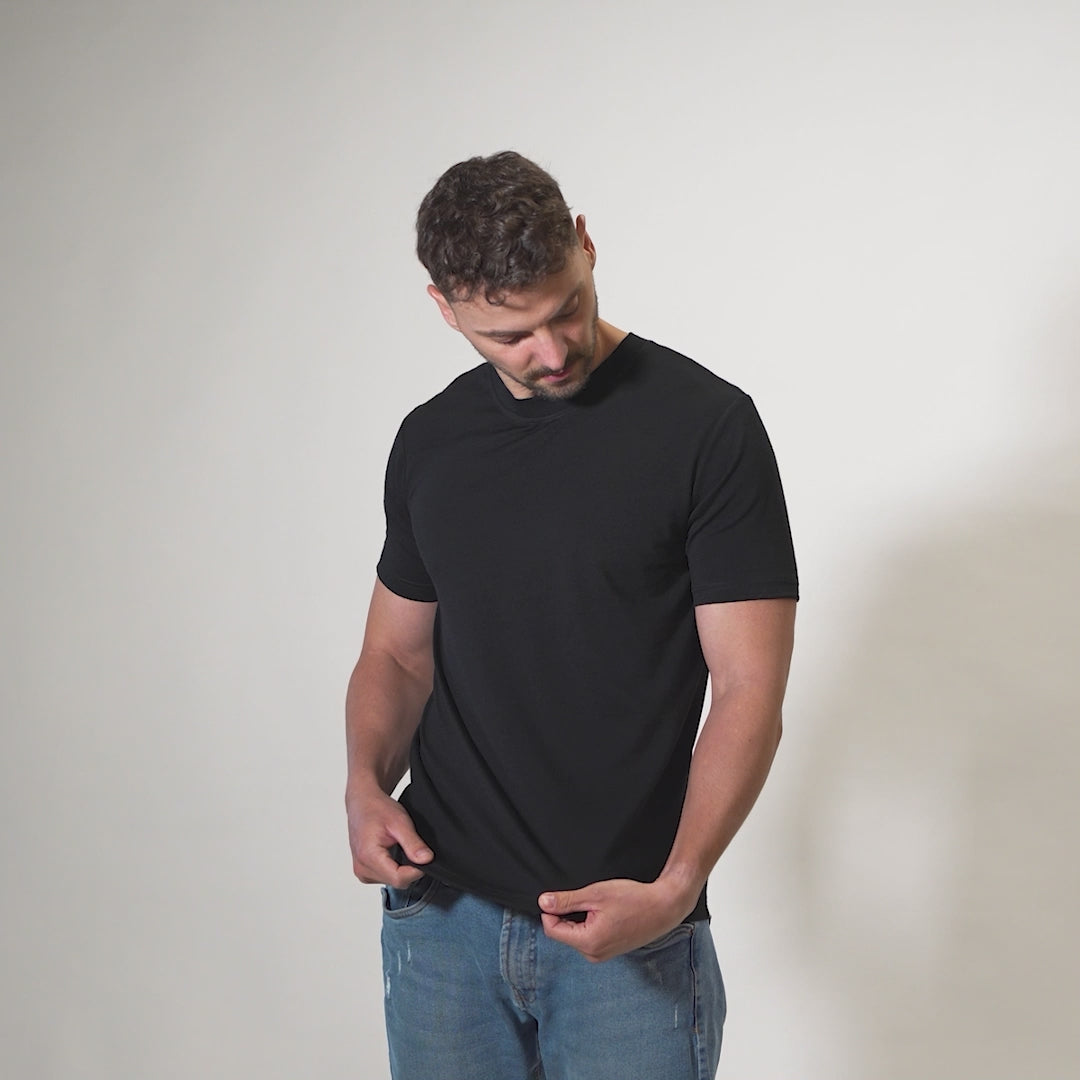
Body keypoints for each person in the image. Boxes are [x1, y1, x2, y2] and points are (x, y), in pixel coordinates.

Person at [345, 150, 798, 1080]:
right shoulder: (431, 439)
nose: (551, 353)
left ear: (586, 245)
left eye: (567, 309)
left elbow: (748, 686)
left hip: (626, 928)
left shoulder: (708, 428)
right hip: (440, 919)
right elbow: (397, 654)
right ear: (444, 308)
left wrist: (676, 887)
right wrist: (363, 782)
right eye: (510, 334)